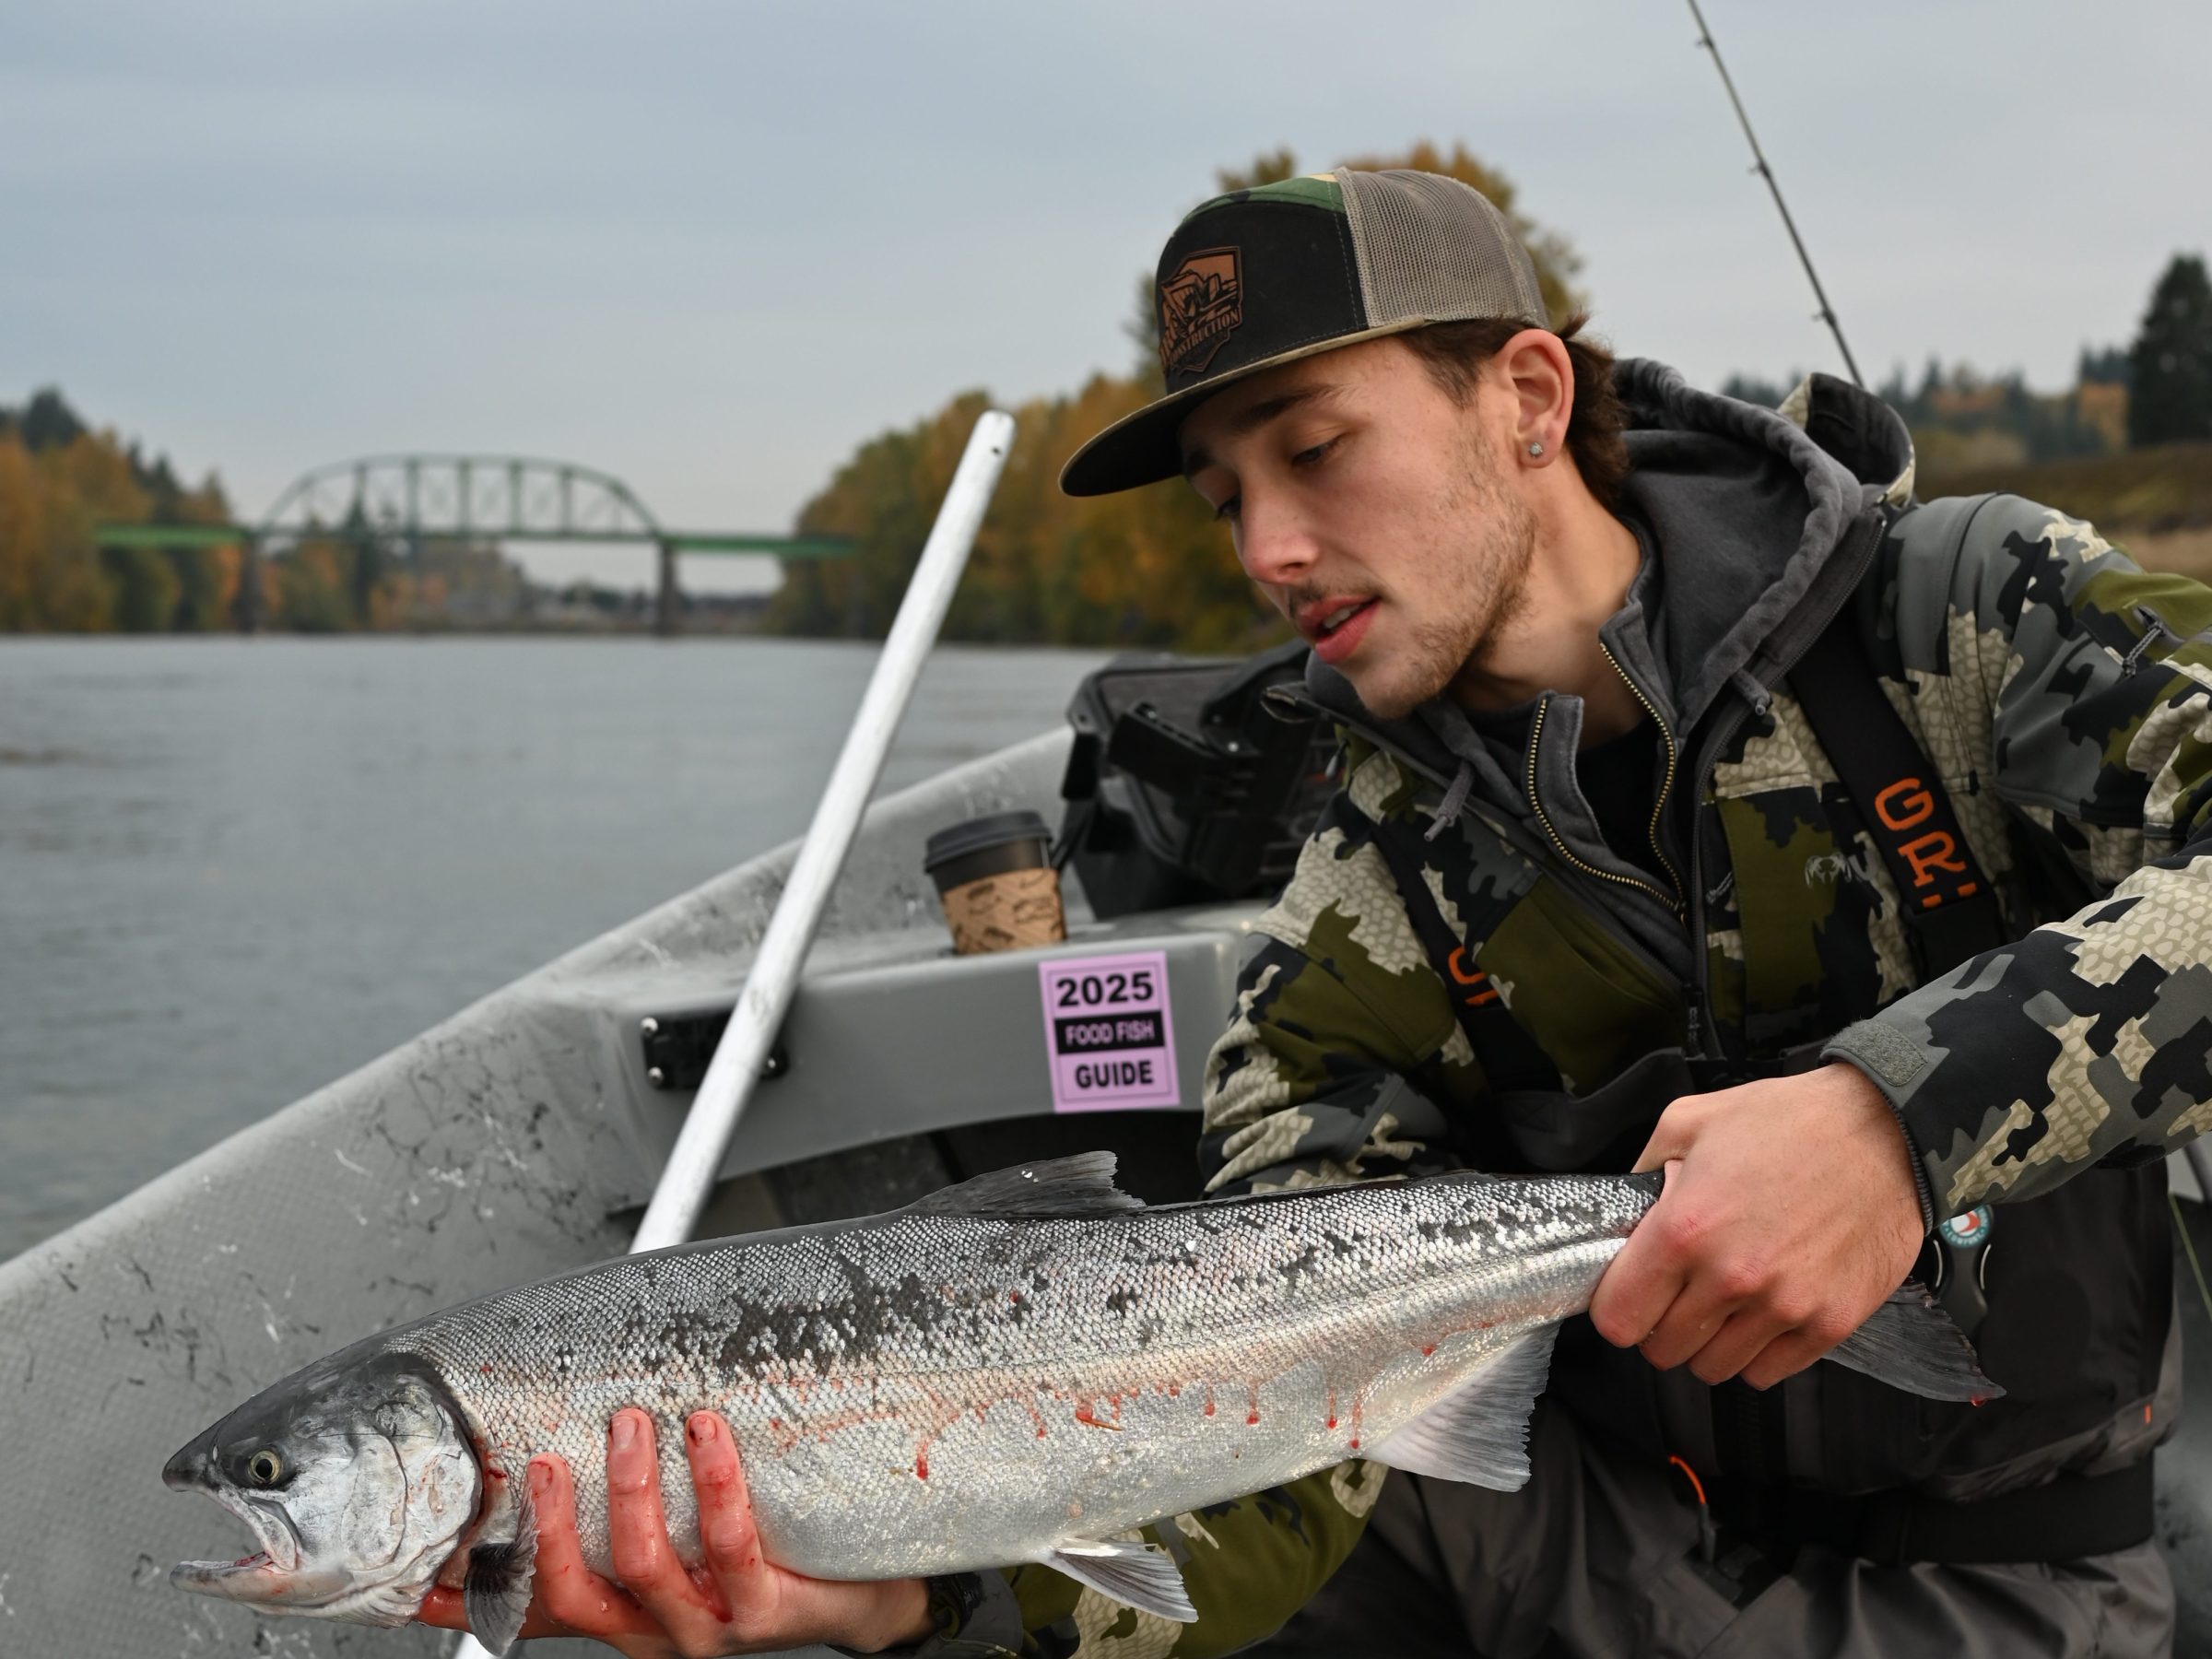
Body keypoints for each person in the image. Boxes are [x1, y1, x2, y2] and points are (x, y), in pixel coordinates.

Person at [422, 169, 2208, 1655]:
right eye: (1226, 500)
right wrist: (914, 1601)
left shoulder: (1970, 617)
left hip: (2027, 1585)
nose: (1267, 549)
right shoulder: (1359, 905)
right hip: (1584, 1553)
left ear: (1526, 396)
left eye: (1315, 449)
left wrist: (1893, 1122)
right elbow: (1286, 1457)